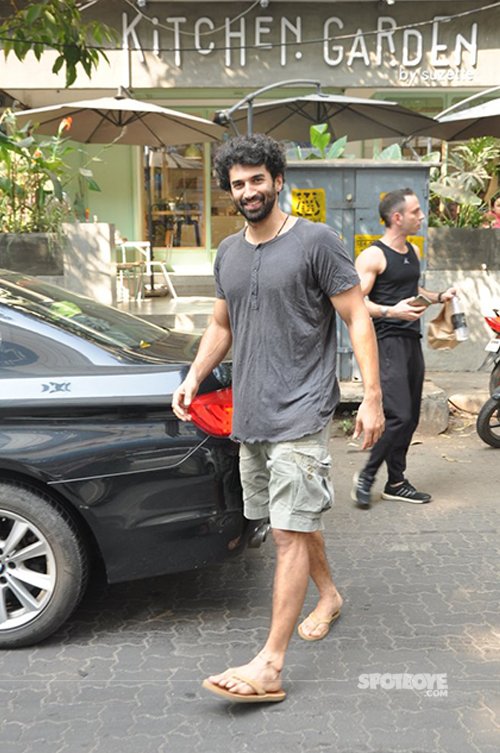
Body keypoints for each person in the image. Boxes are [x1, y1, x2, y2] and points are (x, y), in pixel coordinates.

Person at [172, 134, 384, 704]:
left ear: (277, 179)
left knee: (289, 533)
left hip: (301, 411)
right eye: (238, 184)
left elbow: (356, 319)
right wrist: (193, 376)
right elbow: (222, 324)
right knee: (293, 519)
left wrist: (371, 397)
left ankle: (270, 663)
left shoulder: (317, 241)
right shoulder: (228, 252)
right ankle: (330, 595)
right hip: (252, 416)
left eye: (257, 180)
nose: (248, 191)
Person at [352, 188, 456, 509]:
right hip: (386, 342)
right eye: (415, 212)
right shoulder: (373, 256)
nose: (421, 217)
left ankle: (396, 482)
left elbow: (412, 288)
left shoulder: (411, 251)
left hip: (411, 340)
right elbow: (355, 303)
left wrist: (439, 297)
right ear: (397, 217)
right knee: (399, 415)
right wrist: (390, 311)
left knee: (410, 418)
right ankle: (367, 475)